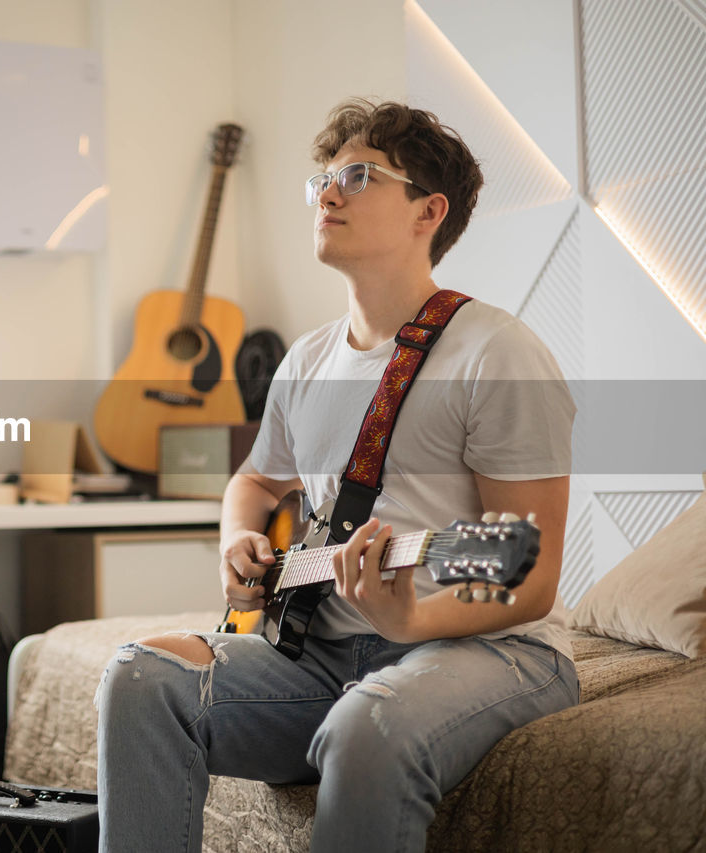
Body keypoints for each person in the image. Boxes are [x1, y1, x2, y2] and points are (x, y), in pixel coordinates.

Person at [94, 98, 579, 852]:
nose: (327, 193)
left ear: (429, 210)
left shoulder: (497, 354)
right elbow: (255, 481)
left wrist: (411, 620)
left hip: (485, 646)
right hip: (323, 652)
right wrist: (237, 544)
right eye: (322, 177)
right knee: (139, 678)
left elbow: (531, 573)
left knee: (369, 723)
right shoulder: (308, 360)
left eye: (358, 176)